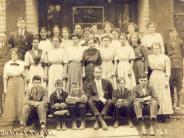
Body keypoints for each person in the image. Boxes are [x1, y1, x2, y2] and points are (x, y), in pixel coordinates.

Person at [148, 43, 173, 122]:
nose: (156, 50)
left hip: (162, 76)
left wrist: (166, 80)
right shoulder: (150, 57)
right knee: (155, 95)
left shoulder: (165, 57)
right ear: (152, 49)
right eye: (154, 48)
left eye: (157, 48)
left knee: (164, 95)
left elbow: (168, 70)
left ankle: (165, 115)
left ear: (160, 48)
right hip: (153, 76)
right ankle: (157, 114)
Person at [86, 66, 113, 130]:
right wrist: (99, 98)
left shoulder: (107, 82)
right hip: (95, 106)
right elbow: (88, 95)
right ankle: (102, 122)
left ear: (102, 73)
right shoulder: (89, 84)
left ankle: (97, 121)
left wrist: (106, 99)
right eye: (96, 72)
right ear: (93, 73)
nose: (98, 74)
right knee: (90, 101)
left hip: (105, 106)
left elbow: (111, 94)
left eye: (99, 72)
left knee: (110, 101)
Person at [3, 48, 25, 124]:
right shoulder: (7, 64)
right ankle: (12, 118)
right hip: (11, 81)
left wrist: (25, 87)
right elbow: (5, 77)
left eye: (15, 54)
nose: (13, 56)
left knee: (20, 99)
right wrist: (5, 88)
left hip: (20, 81)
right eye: (12, 54)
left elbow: (25, 76)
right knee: (11, 99)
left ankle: (20, 117)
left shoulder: (22, 63)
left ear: (18, 55)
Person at [165, 27, 184, 109]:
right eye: (171, 33)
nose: (173, 34)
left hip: (179, 66)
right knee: (170, 85)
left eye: (174, 33)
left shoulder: (181, 42)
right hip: (170, 66)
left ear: (177, 33)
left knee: (179, 85)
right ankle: (172, 103)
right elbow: (165, 55)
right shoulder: (166, 43)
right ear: (169, 34)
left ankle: (179, 103)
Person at [0, 32, 10, 115]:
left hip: (6, 72)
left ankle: (7, 110)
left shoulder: (9, 47)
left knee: (6, 91)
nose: (2, 38)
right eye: (0, 37)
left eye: (3, 37)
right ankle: (1, 109)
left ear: (6, 38)